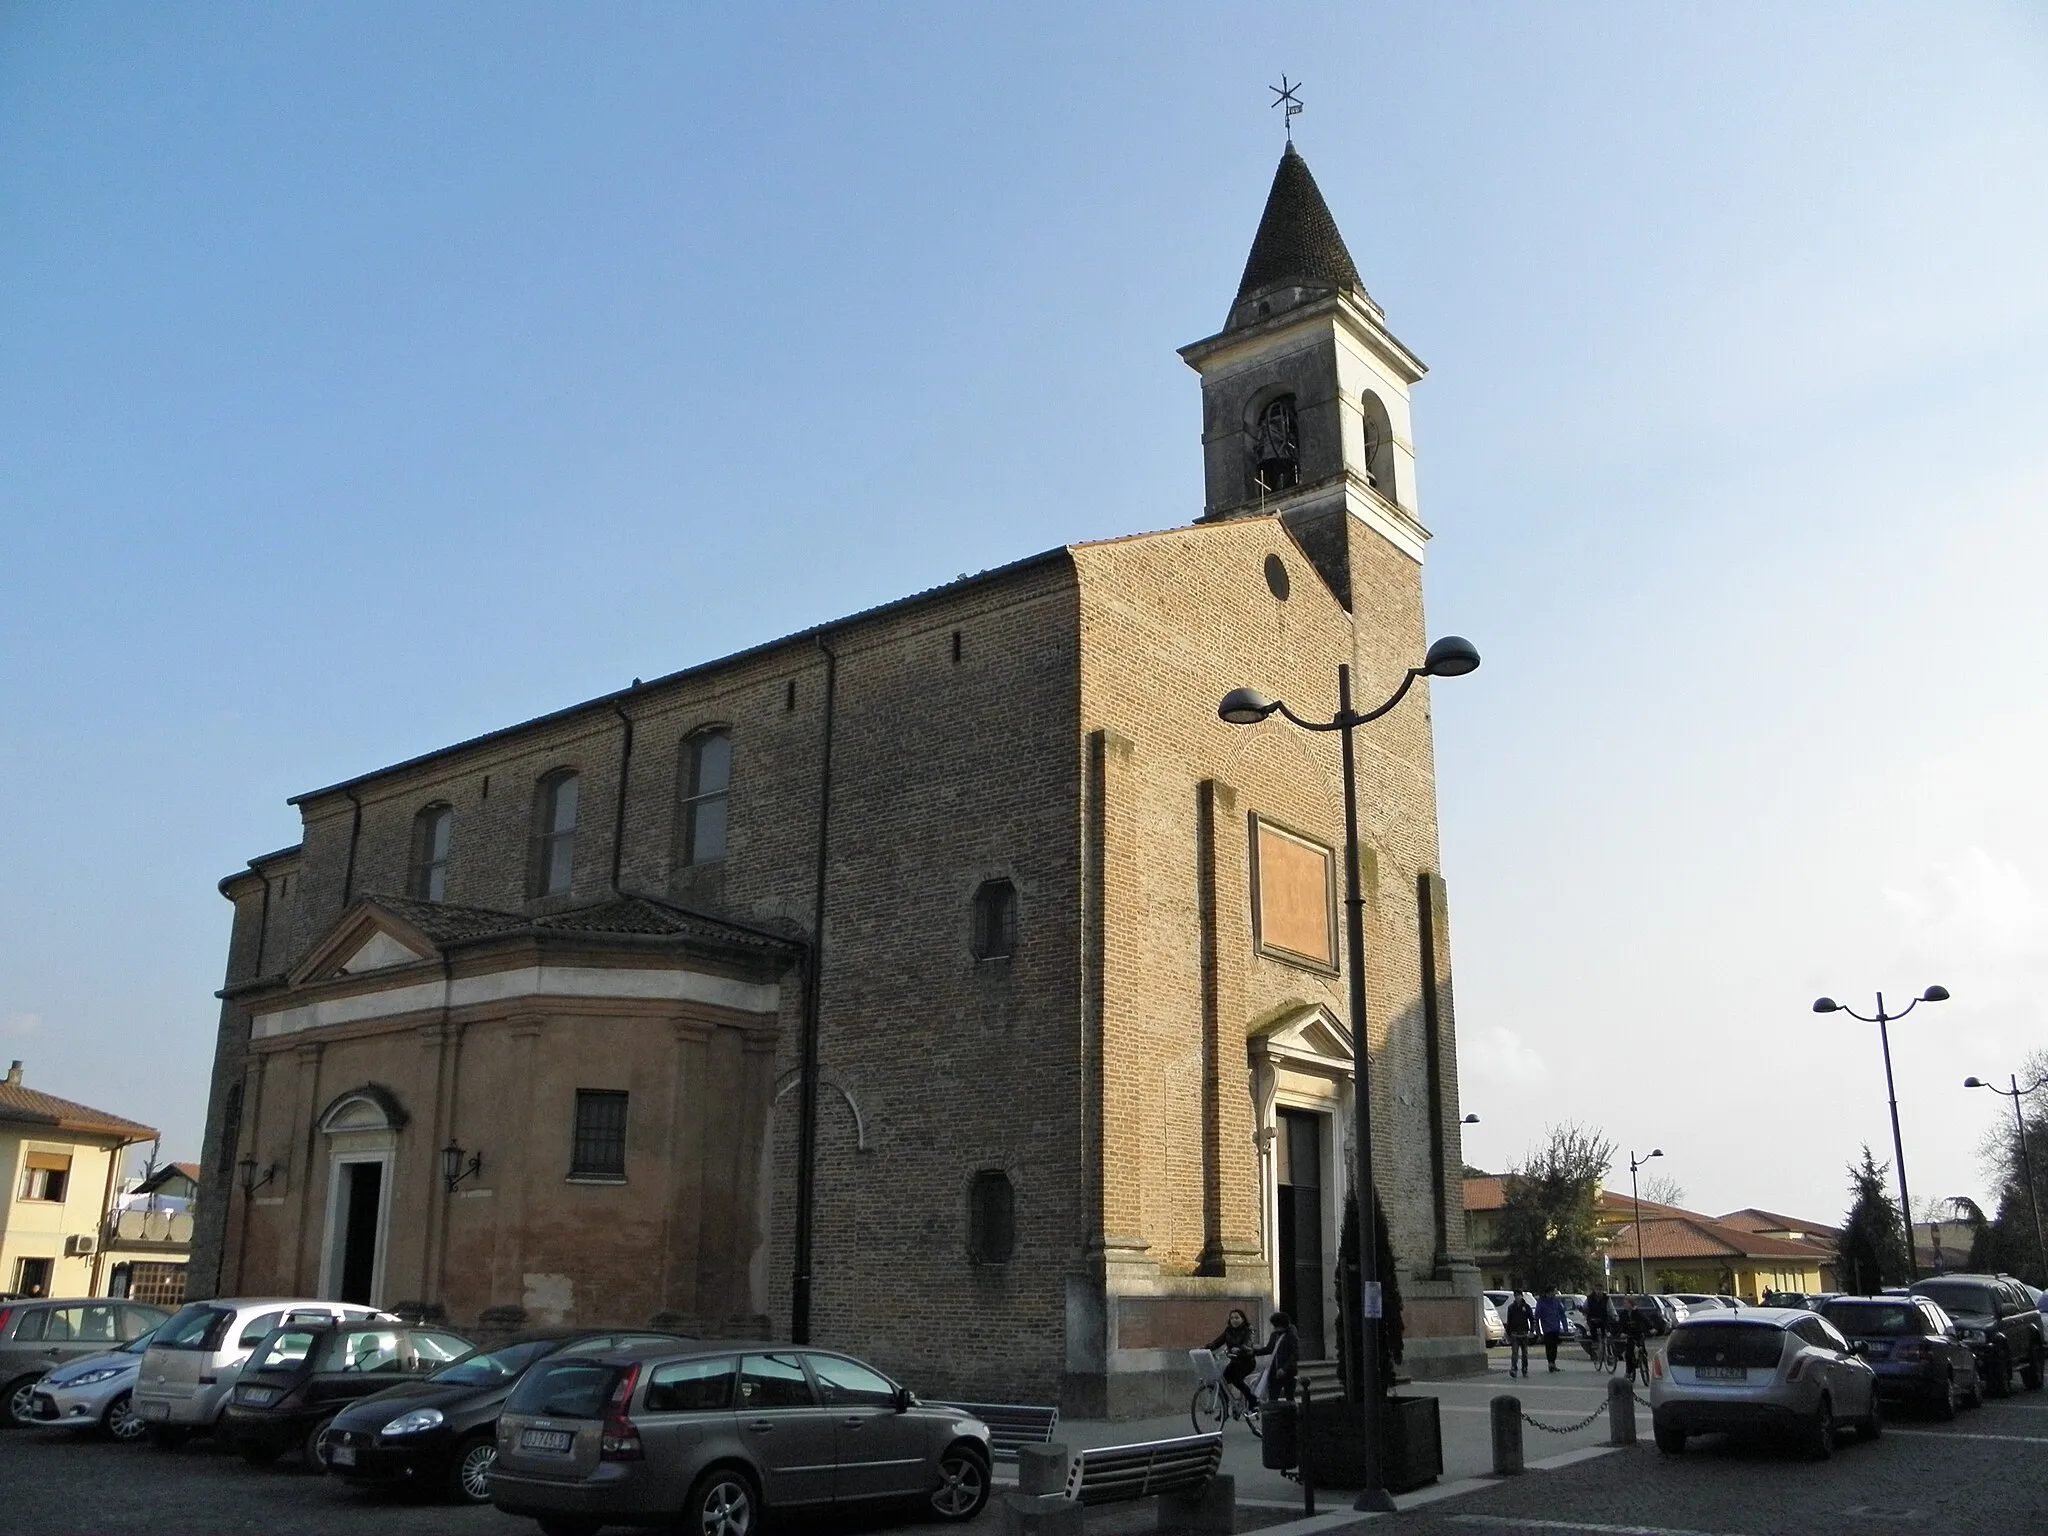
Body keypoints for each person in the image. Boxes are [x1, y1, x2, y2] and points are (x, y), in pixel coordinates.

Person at [1206, 1307, 1257, 1409]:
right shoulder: (1228, 1330)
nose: (1234, 1320)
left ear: (1243, 1319)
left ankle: (1253, 1400)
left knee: (1236, 1380)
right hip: (1234, 1362)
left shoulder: (1249, 1330)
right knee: (1222, 1383)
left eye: (1237, 1317)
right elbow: (1218, 1342)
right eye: (1232, 1318)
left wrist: (1239, 1349)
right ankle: (1224, 1410)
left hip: (1247, 1362)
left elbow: (1248, 1343)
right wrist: (1206, 1348)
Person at [1254, 1311, 1299, 1403]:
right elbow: (1269, 1349)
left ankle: (1292, 1415)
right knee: (1273, 1397)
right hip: (1274, 1370)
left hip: (1288, 1372)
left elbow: (1294, 1355)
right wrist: (1254, 1352)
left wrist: (1284, 1368)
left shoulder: (1291, 1336)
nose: (1275, 1328)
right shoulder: (1274, 1335)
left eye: (1277, 1326)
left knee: (1289, 1396)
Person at [1536, 1287, 1569, 1372]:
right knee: (1549, 1346)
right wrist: (1538, 1331)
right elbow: (1537, 1316)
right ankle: (1550, 1363)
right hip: (1547, 1328)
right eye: (1554, 1291)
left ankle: (1553, 1363)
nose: (1555, 1293)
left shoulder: (1556, 1301)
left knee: (1554, 1346)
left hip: (1555, 1327)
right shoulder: (1542, 1302)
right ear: (1549, 1292)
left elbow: (1562, 1313)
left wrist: (1565, 1327)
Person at [1505, 1291, 1535, 1378]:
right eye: (1516, 1296)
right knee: (1514, 1353)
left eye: (1519, 1295)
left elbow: (1532, 1319)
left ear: (1522, 1296)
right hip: (1514, 1334)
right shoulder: (1511, 1307)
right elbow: (1509, 1321)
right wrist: (1508, 1333)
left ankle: (1524, 1368)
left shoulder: (1526, 1307)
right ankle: (1513, 1368)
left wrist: (1532, 1331)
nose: (1517, 1297)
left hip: (1524, 1333)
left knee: (1524, 1353)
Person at [1583, 1287, 1612, 1358]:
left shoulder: (1606, 1298)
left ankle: (1609, 1350)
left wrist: (1615, 1316)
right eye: (1597, 1290)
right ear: (1594, 1291)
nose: (1598, 1291)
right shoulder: (1589, 1298)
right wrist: (1585, 1313)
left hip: (1603, 1318)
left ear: (1602, 1291)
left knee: (1607, 1329)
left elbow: (1611, 1308)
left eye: (1600, 1290)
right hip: (1593, 1318)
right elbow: (1585, 1308)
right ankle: (1595, 1342)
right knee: (1593, 1328)